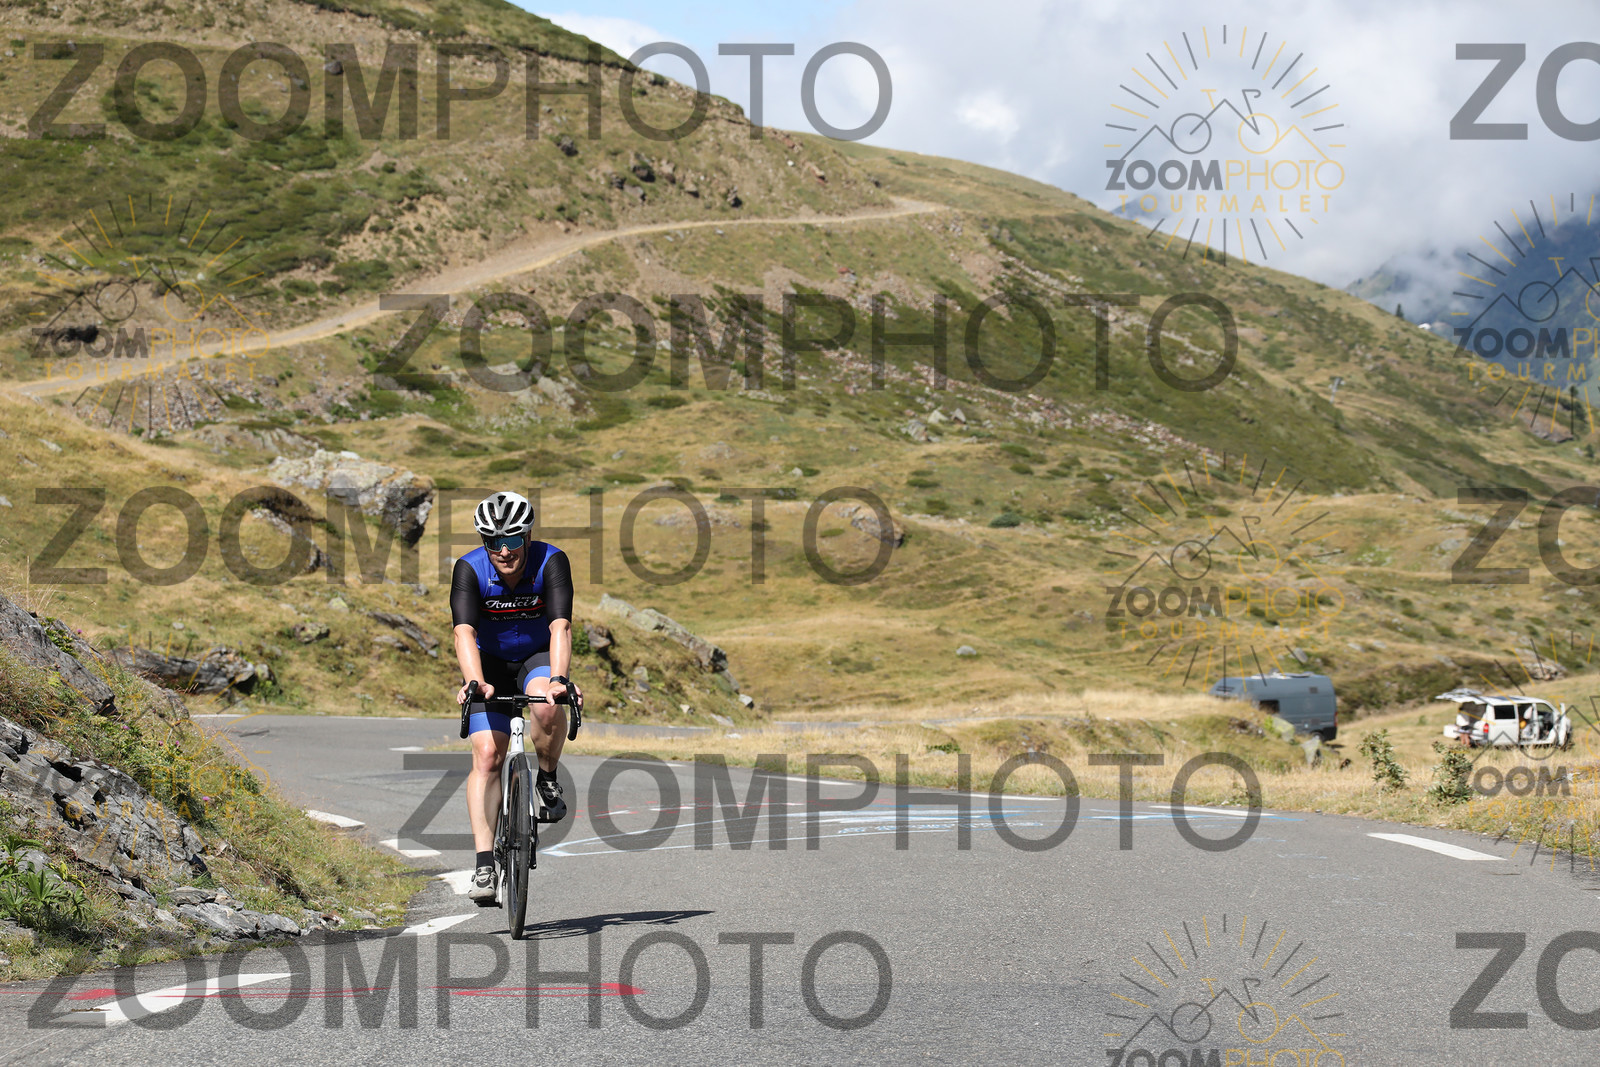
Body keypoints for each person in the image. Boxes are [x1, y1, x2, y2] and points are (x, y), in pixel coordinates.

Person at [452, 491, 581, 902]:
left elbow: (560, 626)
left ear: (527, 536)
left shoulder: (551, 561)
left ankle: (547, 779)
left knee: (546, 704)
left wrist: (559, 678)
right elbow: (464, 632)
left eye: (512, 540)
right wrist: (475, 681)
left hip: (536, 657)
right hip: (489, 664)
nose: (504, 551)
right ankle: (484, 866)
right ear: (484, 541)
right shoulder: (470, 569)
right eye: (494, 542)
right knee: (488, 756)